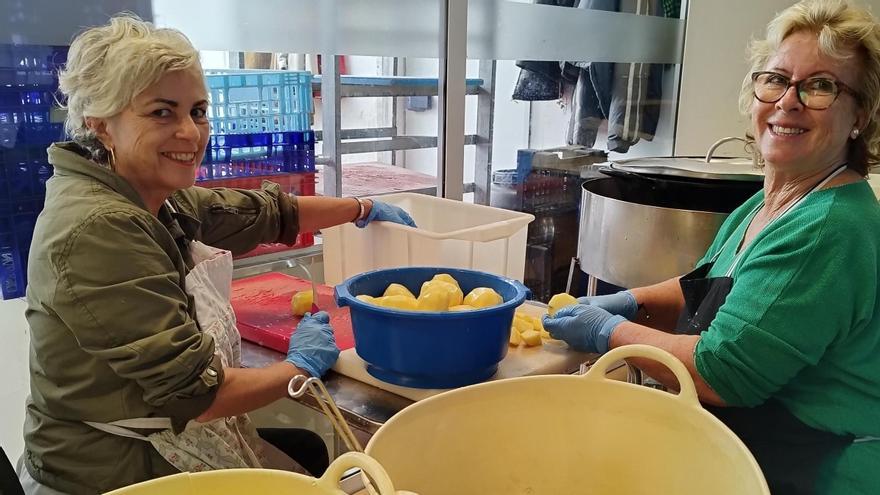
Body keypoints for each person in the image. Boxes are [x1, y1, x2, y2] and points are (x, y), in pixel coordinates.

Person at [16, 14, 416, 495]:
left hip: (158, 436)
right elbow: (199, 395)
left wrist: (362, 207)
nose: (190, 132)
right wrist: (300, 365)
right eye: (162, 112)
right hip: (113, 473)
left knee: (310, 454)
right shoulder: (100, 228)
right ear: (101, 126)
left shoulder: (147, 192)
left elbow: (264, 213)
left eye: (198, 110)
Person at [543, 1, 880, 493]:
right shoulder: (767, 203)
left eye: (821, 86)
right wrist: (632, 302)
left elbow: (723, 375)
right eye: (776, 79)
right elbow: (705, 288)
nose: (789, 100)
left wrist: (609, 332)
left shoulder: (829, 229)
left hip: (812, 472)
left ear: (860, 116)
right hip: (747, 447)